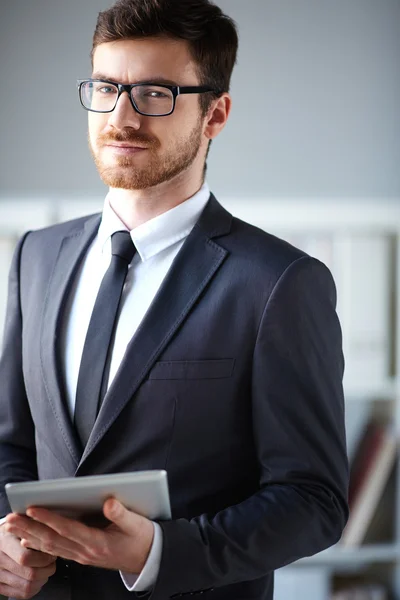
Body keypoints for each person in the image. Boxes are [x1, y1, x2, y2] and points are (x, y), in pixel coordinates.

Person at [0, 0, 349, 598]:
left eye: (156, 94)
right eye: (106, 88)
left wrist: (161, 552)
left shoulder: (280, 282)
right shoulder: (37, 254)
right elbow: (11, 442)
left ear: (215, 114)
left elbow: (313, 500)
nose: (122, 117)